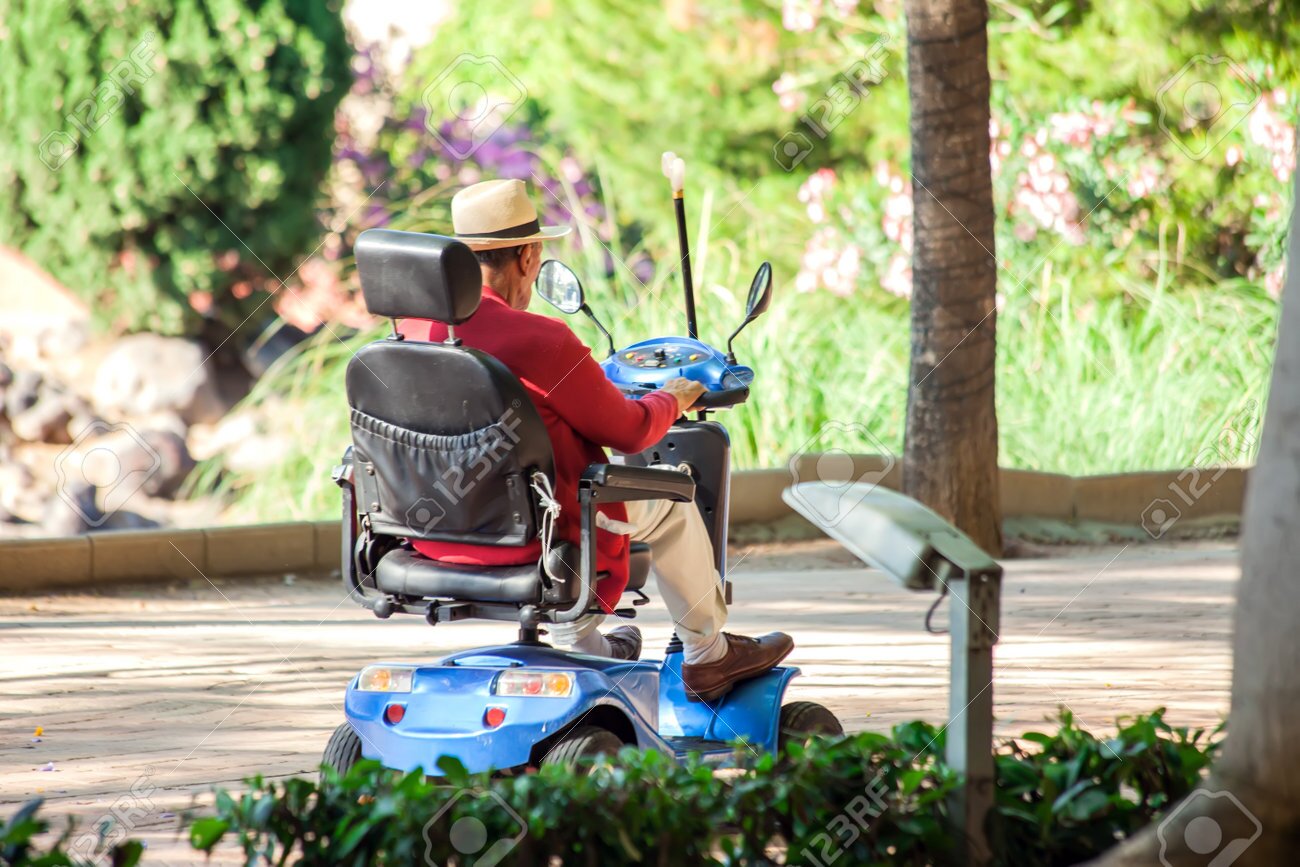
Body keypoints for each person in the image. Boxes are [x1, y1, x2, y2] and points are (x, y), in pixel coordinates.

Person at [398, 179, 792, 701]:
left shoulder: (409, 336)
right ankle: (708, 655)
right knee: (674, 496)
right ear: (529, 256)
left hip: (431, 535)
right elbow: (629, 430)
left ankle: (585, 644)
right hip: (542, 534)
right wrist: (672, 397)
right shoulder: (541, 340)